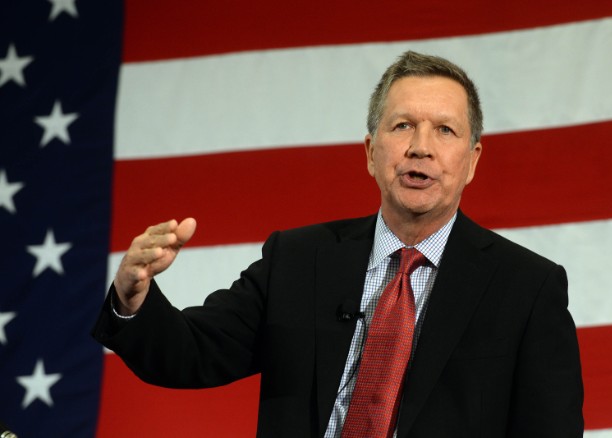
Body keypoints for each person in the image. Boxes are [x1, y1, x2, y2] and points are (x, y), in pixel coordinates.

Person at [92, 51, 584, 437]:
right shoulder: (298, 261)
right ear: (371, 152)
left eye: (445, 130)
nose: (420, 146)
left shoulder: (527, 288)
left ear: (472, 160)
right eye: (403, 125)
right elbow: (191, 354)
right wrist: (133, 301)